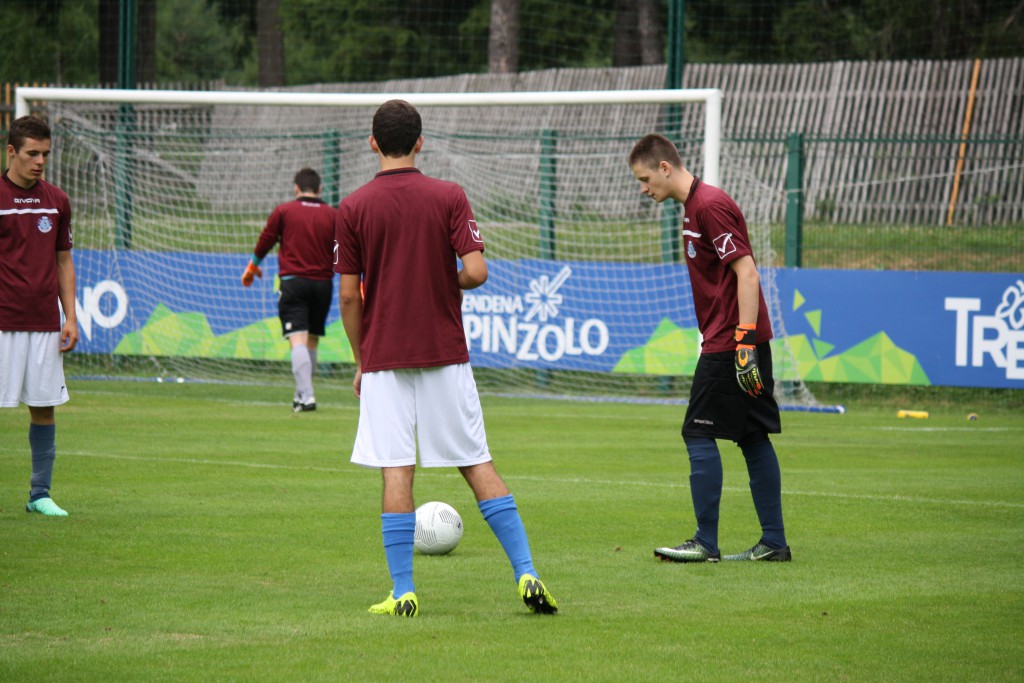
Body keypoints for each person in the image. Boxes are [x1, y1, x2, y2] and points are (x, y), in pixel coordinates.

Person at [335, 99, 558, 617]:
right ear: (420, 142)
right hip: (445, 353)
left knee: (396, 470)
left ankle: (404, 592)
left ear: (372, 143)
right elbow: (477, 272)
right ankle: (526, 572)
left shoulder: (353, 207)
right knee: (477, 462)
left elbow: (348, 297)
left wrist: (361, 359)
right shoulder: (449, 195)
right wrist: (444, 281)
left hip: (385, 357)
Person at [628, 133, 791, 563]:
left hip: (731, 341)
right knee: (752, 436)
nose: (643, 188)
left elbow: (748, 273)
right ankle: (774, 544)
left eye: (644, 178)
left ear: (665, 167)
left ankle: (705, 542)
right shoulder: (694, 207)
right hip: (738, 338)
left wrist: (743, 341)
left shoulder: (709, 206)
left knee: (697, 431)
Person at [1, 115, 78, 517]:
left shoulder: (57, 200)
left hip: (45, 323)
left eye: (45, 154)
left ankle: (40, 494)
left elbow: (64, 261)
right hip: (2, 322)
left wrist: (71, 317)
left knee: (44, 408)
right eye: (32, 154)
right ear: (11, 151)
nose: (40, 162)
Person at [242, 168, 336, 412]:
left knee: (297, 339)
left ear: (296, 188)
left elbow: (266, 240)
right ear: (320, 189)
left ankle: (308, 395)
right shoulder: (332, 214)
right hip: (323, 285)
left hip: (294, 283)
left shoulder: (284, 211)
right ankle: (300, 395)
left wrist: (253, 266)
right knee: (311, 340)